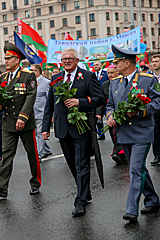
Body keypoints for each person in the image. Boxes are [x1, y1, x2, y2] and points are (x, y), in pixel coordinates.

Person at [42, 47, 104, 217]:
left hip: (81, 128)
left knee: (81, 164)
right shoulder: (55, 78)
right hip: (63, 129)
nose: (67, 61)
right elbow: (49, 105)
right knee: (72, 164)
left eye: (70, 58)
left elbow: (100, 98)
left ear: (77, 60)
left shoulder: (88, 76)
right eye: (64, 59)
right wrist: (45, 128)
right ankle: (85, 191)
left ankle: (80, 201)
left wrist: (80, 102)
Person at [106, 45, 160, 222]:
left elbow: (158, 102)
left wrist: (140, 111)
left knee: (135, 170)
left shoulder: (147, 79)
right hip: (124, 133)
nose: (114, 66)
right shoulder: (115, 82)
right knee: (139, 168)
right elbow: (110, 105)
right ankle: (152, 199)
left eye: (117, 62)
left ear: (126, 63)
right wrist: (110, 115)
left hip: (142, 132)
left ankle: (131, 209)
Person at [0, 44, 41, 199]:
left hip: (25, 121)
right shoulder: (2, 77)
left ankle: (35, 182)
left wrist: (23, 117)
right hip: (8, 121)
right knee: (7, 154)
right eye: (6, 58)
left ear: (18, 60)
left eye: (9, 58)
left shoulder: (27, 75)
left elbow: (30, 96)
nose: (6, 61)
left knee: (31, 153)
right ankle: (1, 186)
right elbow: (0, 95)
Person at [95, 65, 125, 164]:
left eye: (112, 72)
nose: (110, 75)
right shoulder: (105, 85)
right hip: (110, 113)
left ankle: (119, 153)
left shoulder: (123, 82)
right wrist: (99, 114)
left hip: (122, 113)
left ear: (117, 72)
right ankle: (120, 152)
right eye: (108, 73)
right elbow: (102, 101)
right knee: (113, 134)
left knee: (121, 134)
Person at [30, 64, 52, 160]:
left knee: (39, 133)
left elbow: (50, 100)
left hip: (42, 113)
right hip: (32, 113)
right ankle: (47, 150)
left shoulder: (46, 83)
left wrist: (51, 115)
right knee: (35, 134)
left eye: (32, 70)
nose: (30, 72)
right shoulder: (30, 82)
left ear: (37, 72)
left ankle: (38, 155)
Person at [150, 54, 160, 166]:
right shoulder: (149, 77)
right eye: (152, 61)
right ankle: (157, 155)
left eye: (156, 61)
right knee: (155, 133)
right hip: (156, 109)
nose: (154, 63)